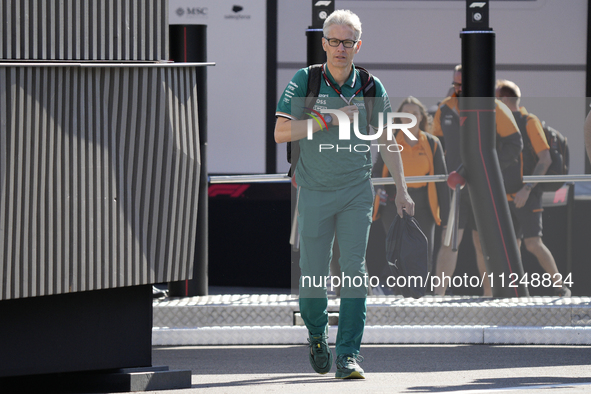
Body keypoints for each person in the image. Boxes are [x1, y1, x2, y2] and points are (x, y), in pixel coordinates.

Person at [274, 10, 414, 379]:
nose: (340, 48)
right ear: (324, 43)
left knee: (355, 271)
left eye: (347, 42)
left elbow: (387, 140)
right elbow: (280, 133)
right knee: (313, 275)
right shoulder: (306, 80)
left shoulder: (370, 86)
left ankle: (349, 354)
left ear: (358, 46)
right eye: (334, 41)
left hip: (356, 191)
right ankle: (317, 334)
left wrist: (402, 189)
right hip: (315, 191)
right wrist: (328, 119)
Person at [431, 65, 522, 297]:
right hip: (456, 188)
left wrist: (486, 170)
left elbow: (514, 144)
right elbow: (437, 146)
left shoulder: (495, 108)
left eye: (463, 85)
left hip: (485, 187)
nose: (458, 89)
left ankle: (488, 297)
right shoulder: (445, 109)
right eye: (455, 84)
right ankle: (437, 297)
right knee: (448, 241)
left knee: (484, 244)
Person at [496, 79, 571, 297]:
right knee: (512, 247)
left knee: (533, 243)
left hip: (527, 195)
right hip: (507, 195)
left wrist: (527, 189)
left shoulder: (529, 121)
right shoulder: (500, 123)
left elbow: (545, 159)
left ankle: (560, 287)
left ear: (504, 99)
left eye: (495, 99)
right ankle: (517, 292)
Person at [372, 97, 450, 277]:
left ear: (422, 117)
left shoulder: (432, 143)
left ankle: (419, 293)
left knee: (422, 249)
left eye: (414, 113)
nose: (410, 117)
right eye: (405, 113)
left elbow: (442, 183)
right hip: (394, 202)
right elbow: (376, 172)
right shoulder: (389, 141)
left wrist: (446, 219)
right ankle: (399, 292)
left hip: (423, 203)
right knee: (398, 249)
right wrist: (379, 190)